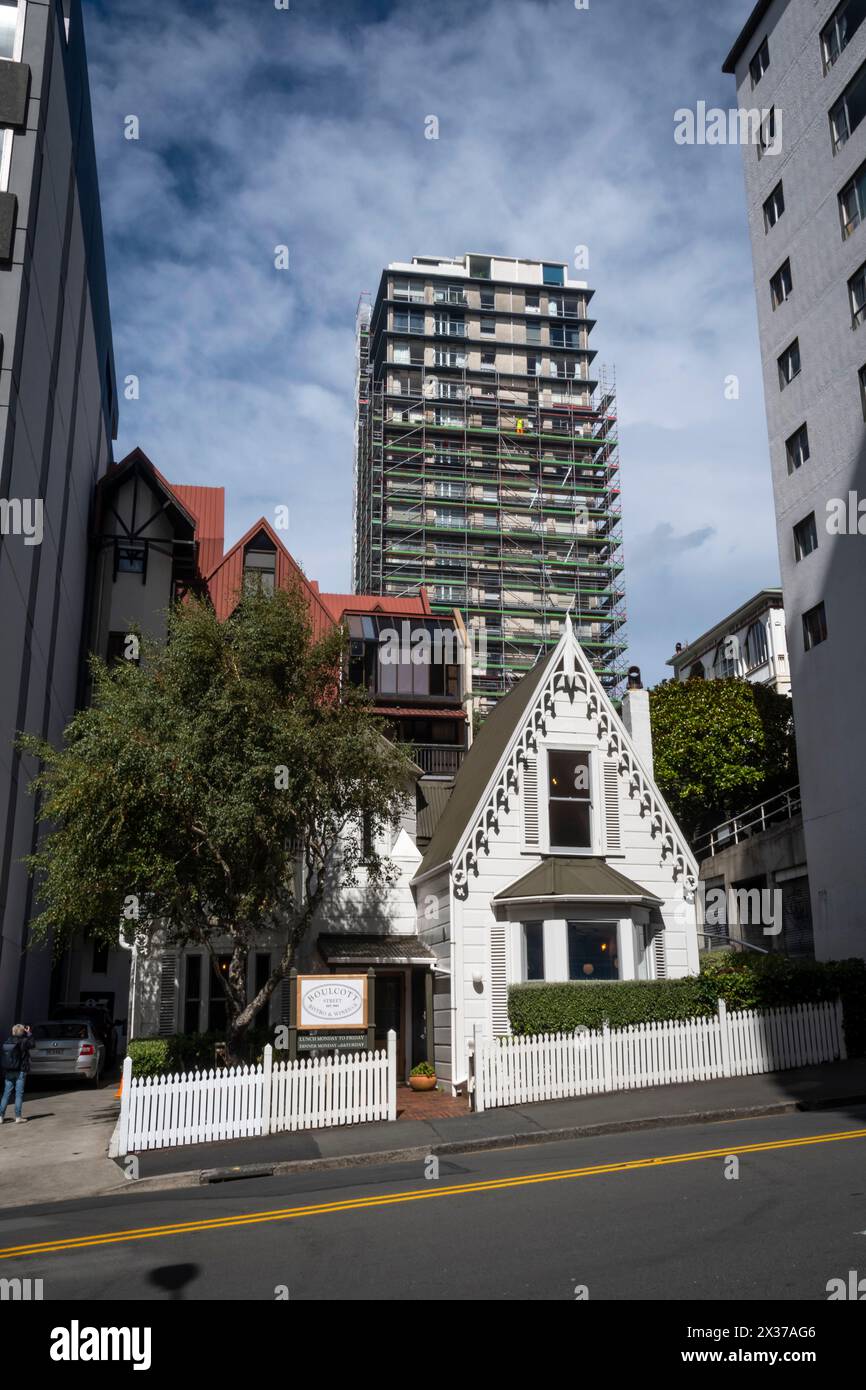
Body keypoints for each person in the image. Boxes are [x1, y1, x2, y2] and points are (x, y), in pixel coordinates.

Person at [0, 1024, 33, 1123]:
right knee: (19, 1094)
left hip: (9, 1070)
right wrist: (29, 1033)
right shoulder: (24, 1041)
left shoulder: (8, 1040)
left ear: (13, 1031)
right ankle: (18, 1117)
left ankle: (0, 1116)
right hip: (20, 1071)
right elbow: (33, 1044)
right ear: (23, 1032)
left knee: (6, 1093)